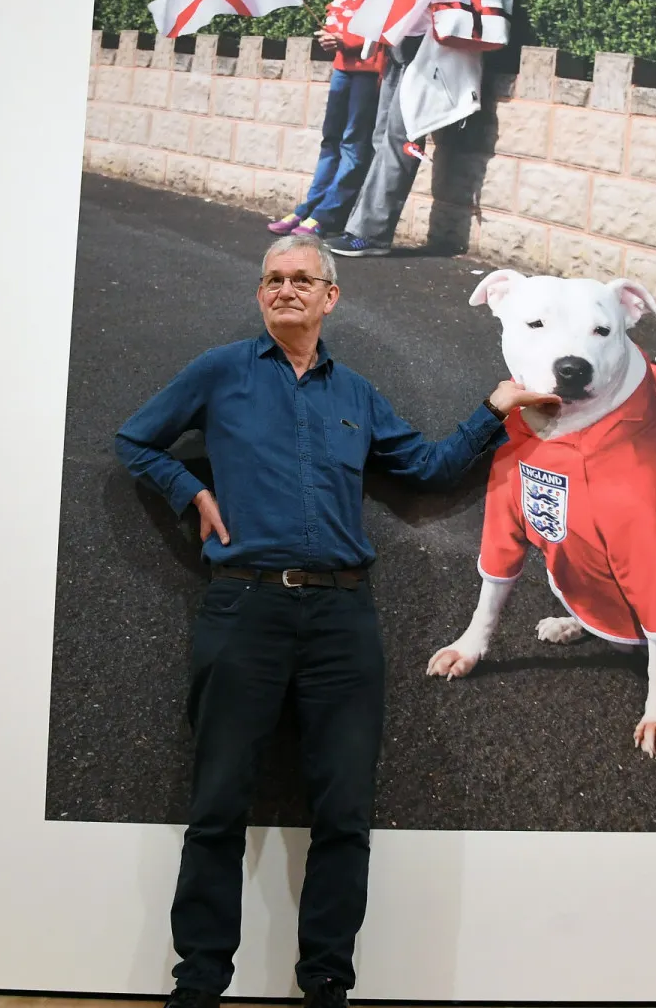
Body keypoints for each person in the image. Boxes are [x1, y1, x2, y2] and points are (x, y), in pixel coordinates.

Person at [115, 235, 554, 1008]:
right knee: (218, 803)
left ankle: (325, 985)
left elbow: (424, 468)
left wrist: (499, 406)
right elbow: (134, 440)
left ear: (330, 297)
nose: (286, 289)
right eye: (273, 280)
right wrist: (190, 491)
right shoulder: (220, 373)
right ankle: (198, 984)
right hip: (244, 607)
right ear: (261, 295)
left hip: (342, 618)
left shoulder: (355, 394)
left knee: (344, 813)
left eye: (302, 279)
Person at [327, 0, 497, 259]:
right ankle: (361, 225)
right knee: (382, 136)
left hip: (435, 52)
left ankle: (370, 234)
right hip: (406, 45)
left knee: (401, 138)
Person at [268, 0, 392, 240]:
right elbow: (346, 7)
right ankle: (309, 207)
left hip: (369, 64)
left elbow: (389, 20)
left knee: (352, 143)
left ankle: (328, 215)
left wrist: (347, 40)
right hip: (343, 63)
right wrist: (334, 38)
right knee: (331, 140)